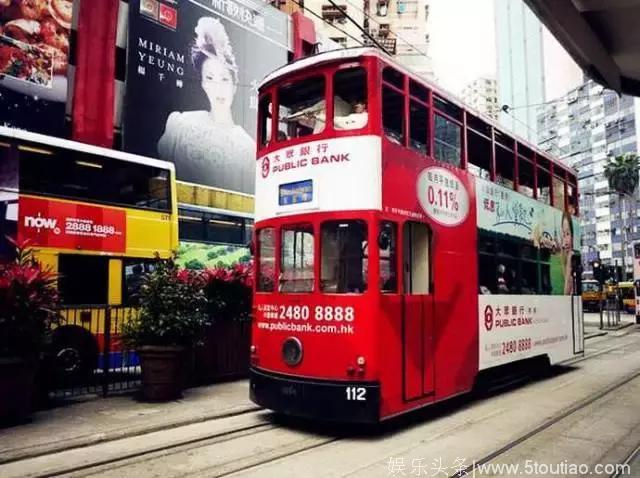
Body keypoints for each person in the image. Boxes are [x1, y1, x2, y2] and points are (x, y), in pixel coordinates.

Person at [157, 17, 254, 193]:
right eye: (210, 78)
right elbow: (161, 181)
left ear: (235, 85)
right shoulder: (181, 124)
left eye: (225, 79)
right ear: (202, 83)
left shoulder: (247, 147)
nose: (218, 88)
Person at [560, 211, 574, 295]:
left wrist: (569, 259)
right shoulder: (564, 257)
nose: (565, 241)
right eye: (563, 235)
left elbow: (566, 293)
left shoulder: (572, 257)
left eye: (568, 234)